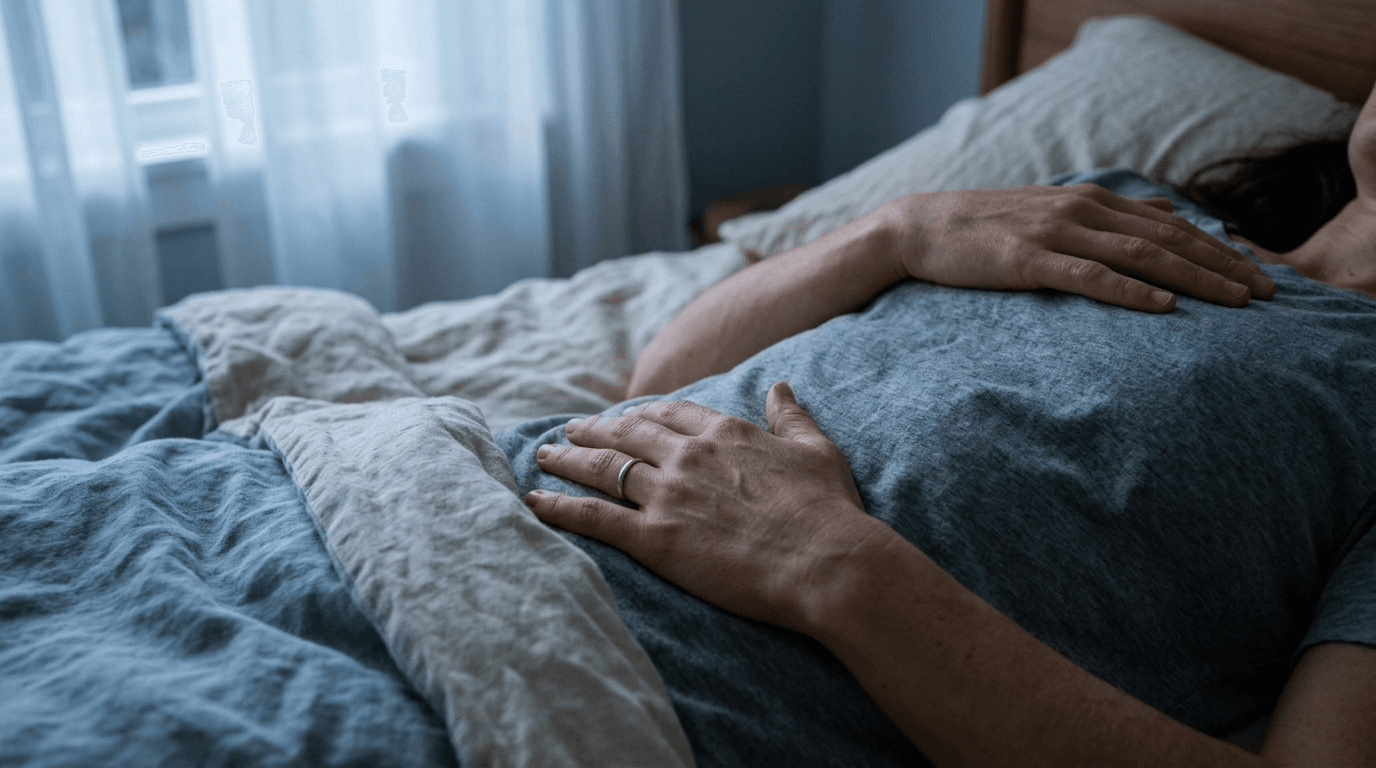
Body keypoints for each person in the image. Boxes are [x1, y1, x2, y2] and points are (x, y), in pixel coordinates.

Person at [514, 83, 1376, 768]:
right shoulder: (1118, 205)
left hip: (616, 677)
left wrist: (829, 563)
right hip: (480, 497)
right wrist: (898, 231)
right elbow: (662, 377)